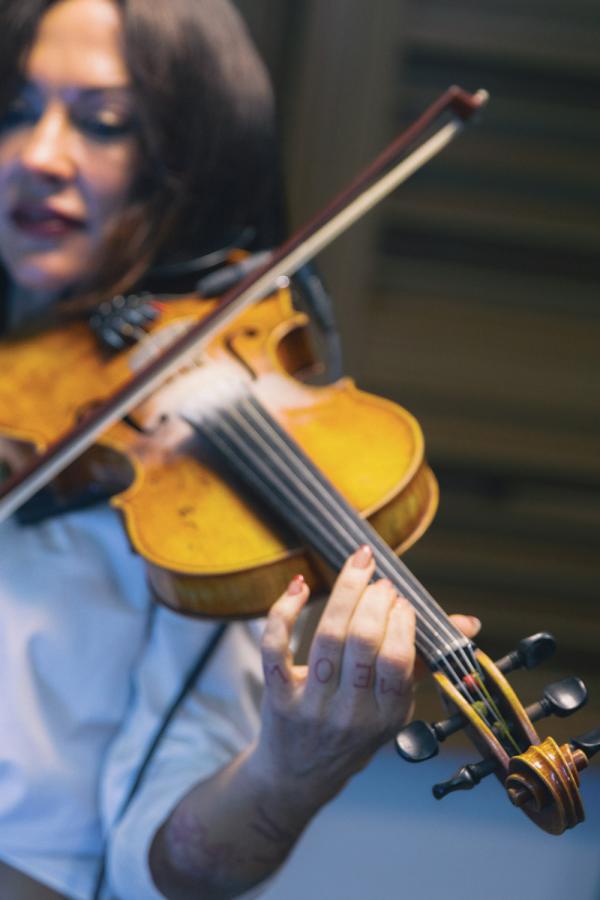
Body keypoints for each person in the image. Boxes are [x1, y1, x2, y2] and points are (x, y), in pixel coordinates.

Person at [0, 1, 481, 898]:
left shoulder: (192, 519)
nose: (38, 154)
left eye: (102, 124)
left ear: (191, 163)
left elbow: (167, 867)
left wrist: (289, 775)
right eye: (17, 110)